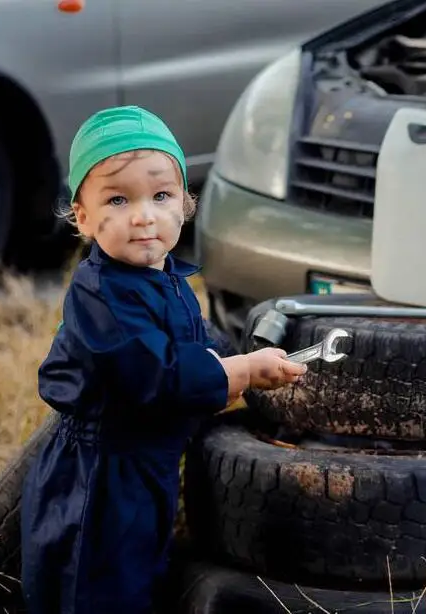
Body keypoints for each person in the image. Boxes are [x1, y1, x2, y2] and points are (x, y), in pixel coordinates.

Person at [19, 105, 307, 614]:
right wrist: (240, 372)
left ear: (185, 204)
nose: (143, 215)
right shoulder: (101, 294)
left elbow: (200, 344)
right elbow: (158, 373)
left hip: (147, 465)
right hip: (101, 473)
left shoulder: (165, 277)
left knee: (145, 571)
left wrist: (245, 366)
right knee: (98, 586)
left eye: (160, 195)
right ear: (82, 218)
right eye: (117, 199)